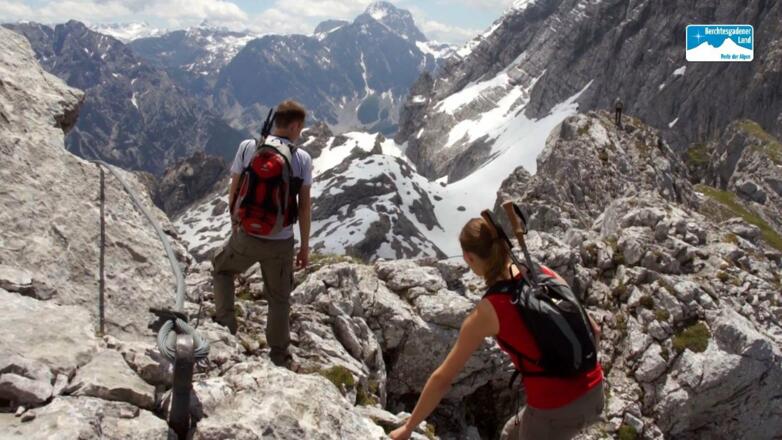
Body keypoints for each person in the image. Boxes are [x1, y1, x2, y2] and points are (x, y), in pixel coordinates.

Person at [390, 218, 604, 440]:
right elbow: (594, 329)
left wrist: (408, 428)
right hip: (596, 390)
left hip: (555, 408)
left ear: (468, 258)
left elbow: (442, 379)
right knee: (509, 435)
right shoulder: (542, 272)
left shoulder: (489, 310)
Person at [211, 100, 313, 368]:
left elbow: (234, 188)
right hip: (280, 242)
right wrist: (304, 247)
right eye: (300, 128)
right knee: (279, 298)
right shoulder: (301, 159)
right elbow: (304, 207)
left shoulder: (249, 147)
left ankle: (226, 324)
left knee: (221, 269)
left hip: (246, 237)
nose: (300, 132)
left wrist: (235, 222)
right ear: (293, 126)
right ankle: (279, 354)